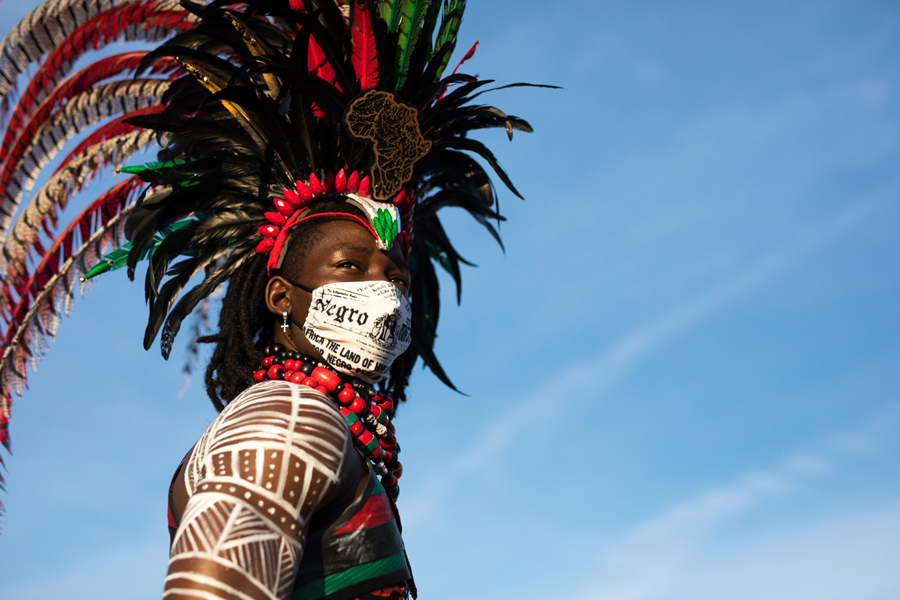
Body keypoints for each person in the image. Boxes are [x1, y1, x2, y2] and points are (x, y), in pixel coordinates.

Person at [0, 1, 539, 598]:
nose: (383, 295)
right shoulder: (288, 426)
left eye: (398, 279)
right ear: (281, 294)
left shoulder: (325, 428)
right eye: (349, 267)